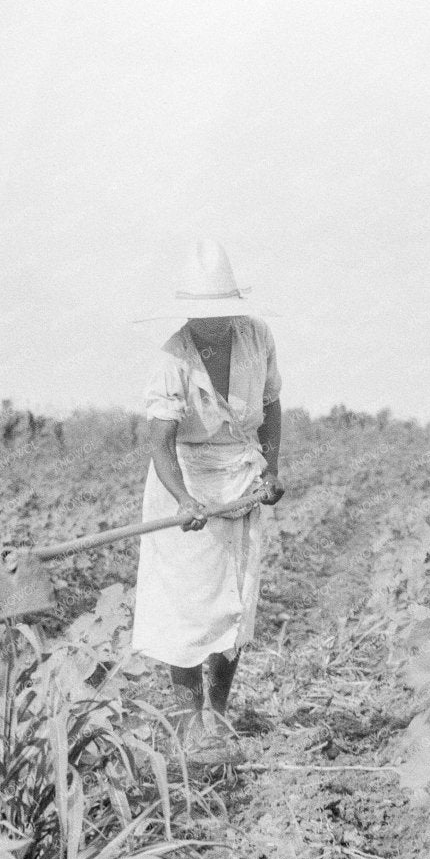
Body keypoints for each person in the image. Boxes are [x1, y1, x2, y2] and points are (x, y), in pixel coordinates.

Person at [131, 239, 284, 754]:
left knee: (233, 602)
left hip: (239, 480)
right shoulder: (174, 356)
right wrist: (183, 500)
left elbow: (272, 404)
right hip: (187, 481)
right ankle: (186, 723)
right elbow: (159, 440)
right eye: (201, 314)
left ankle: (217, 717)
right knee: (188, 605)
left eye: (219, 312)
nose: (211, 323)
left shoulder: (257, 338)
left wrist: (272, 469)